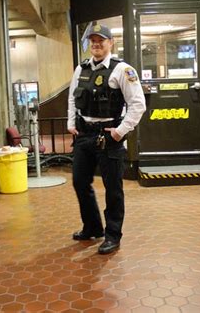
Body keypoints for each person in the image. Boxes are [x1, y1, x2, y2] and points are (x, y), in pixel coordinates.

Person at [67, 23, 146, 254]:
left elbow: (138, 105)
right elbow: (72, 98)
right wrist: (71, 123)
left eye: (101, 39)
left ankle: (113, 234)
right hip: (84, 135)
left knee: (113, 188)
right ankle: (92, 227)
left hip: (109, 136)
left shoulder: (122, 70)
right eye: (93, 40)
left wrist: (120, 131)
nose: (96, 43)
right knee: (80, 182)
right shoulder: (80, 69)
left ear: (111, 42)